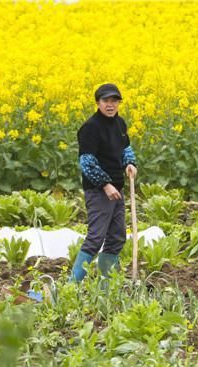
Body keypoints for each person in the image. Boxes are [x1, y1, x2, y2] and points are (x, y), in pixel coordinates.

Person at [69, 83, 138, 282]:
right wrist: (105, 185)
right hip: (99, 191)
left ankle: (108, 286)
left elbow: (126, 149)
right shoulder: (90, 128)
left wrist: (130, 163)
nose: (110, 105)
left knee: (117, 237)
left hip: (117, 188)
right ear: (98, 103)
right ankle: (71, 286)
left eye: (114, 101)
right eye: (106, 101)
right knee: (96, 237)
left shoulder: (119, 124)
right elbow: (87, 162)